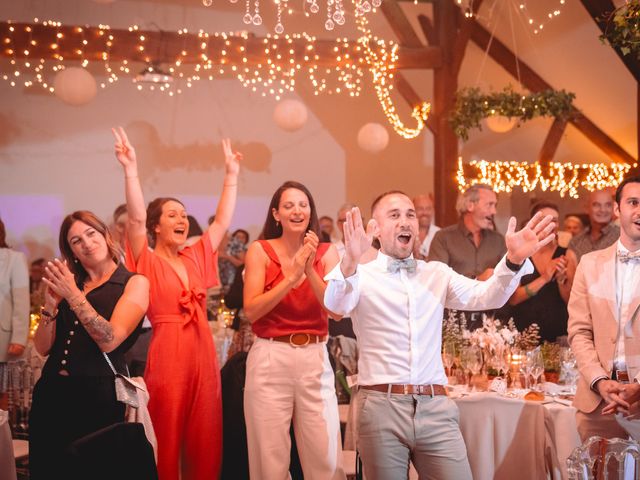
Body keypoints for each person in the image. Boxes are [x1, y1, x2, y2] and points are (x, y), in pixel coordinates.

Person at [323, 191, 554, 480]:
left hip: (435, 407)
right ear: (375, 229)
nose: (406, 221)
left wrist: (514, 261)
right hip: (382, 406)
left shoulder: (436, 273)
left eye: (410, 214)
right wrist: (350, 262)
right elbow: (335, 305)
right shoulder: (362, 275)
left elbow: (487, 296)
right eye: (394, 215)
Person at [112, 126, 241, 480]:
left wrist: (231, 175)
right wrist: (131, 169)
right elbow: (136, 218)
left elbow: (222, 222)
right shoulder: (147, 259)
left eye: (183, 215)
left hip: (202, 351)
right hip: (167, 351)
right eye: (172, 214)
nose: (182, 219)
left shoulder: (194, 256)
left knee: (205, 431)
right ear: (155, 227)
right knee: (167, 433)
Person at [29, 211, 149, 479]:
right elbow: (41, 347)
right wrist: (50, 306)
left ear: (106, 236)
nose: (86, 243)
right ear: (71, 251)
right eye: (76, 240)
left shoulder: (133, 283)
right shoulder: (70, 283)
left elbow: (111, 340)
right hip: (51, 393)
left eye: (91, 234)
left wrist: (72, 295)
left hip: (99, 396)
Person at [243, 180, 345, 479]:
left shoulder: (327, 253)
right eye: (288, 206)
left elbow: (336, 310)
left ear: (310, 212)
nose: (297, 211)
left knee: (325, 455)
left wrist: (310, 268)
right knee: (269, 458)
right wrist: (291, 276)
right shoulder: (260, 251)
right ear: (276, 214)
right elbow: (252, 310)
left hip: (314, 355)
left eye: (303, 205)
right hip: (270, 356)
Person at [568, 176, 640, 441]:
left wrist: (638, 386)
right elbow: (579, 331)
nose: (639, 211)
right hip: (597, 404)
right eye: (633, 202)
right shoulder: (589, 264)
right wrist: (599, 381)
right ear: (617, 210)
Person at [428, 184, 506, 328]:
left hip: (491, 325)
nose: (494, 211)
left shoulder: (499, 240)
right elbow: (436, 281)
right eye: (489, 205)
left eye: (495, 205)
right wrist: (477, 280)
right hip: (453, 324)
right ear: (470, 205)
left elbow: (507, 281)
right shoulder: (443, 238)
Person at [508, 201, 570, 343]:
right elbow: (514, 298)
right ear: (533, 223)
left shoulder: (567, 255)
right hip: (524, 336)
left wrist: (561, 281)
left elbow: (572, 302)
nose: (551, 225)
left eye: (555, 220)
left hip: (558, 338)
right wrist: (544, 278)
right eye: (545, 221)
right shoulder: (520, 255)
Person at [0, 219, 29, 408]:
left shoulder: (13, 259)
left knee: (1, 393)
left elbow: (21, 301)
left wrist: (19, 338)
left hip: (3, 338)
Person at [412, 193, 440, 260]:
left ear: (433, 211)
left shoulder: (440, 234)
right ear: (412, 210)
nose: (424, 213)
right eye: (420, 209)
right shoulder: (405, 233)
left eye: (428, 209)